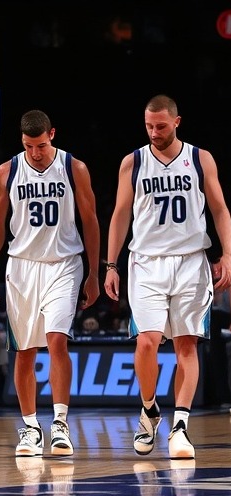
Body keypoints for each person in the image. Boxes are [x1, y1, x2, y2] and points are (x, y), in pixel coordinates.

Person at [104, 94, 231, 460]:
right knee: (147, 341)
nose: (154, 132)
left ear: (177, 122)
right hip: (145, 261)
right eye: (148, 126)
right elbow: (119, 214)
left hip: (191, 261)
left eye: (160, 126)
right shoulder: (134, 161)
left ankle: (180, 425)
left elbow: (220, 207)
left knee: (186, 345)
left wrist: (227, 253)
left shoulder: (198, 158)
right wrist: (111, 265)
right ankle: (149, 409)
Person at [0, 110, 101, 457]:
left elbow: (91, 220)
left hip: (64, 264)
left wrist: (94, 272)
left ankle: (59, 423)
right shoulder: (6, 171)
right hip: (21, 266)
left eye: (41, 145)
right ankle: (30, 428)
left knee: (56, 341)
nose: (36, 153)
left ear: (52, 134)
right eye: (29, 146)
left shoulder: (74, 168)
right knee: (24, 352)